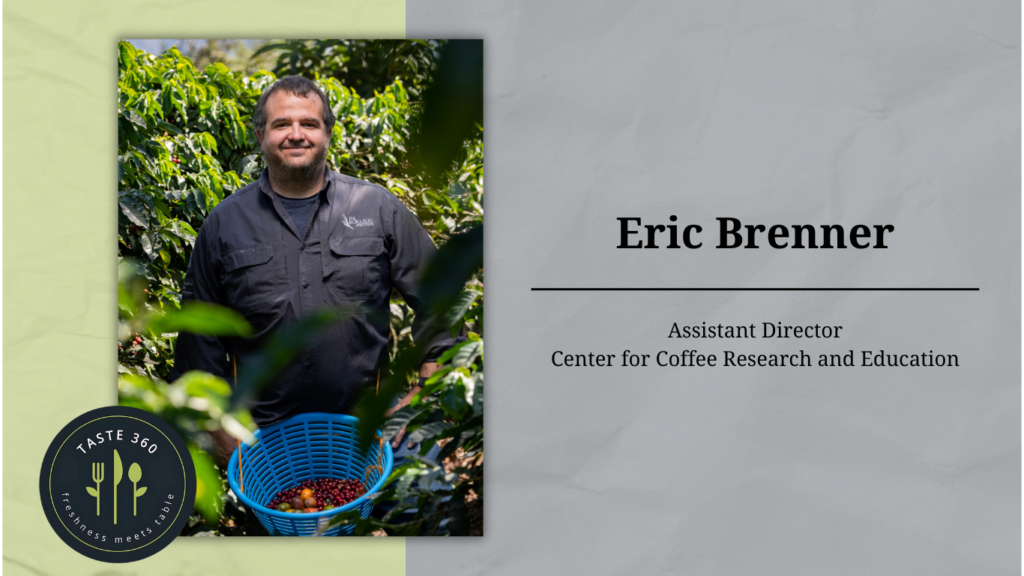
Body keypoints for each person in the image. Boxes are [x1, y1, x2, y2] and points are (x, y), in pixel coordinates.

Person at [169, 75, 456, 453]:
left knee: (421, 499)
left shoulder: (378, 208)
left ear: (328, 133)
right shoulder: (223, 225)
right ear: (260, 136)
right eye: (281, 124)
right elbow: (198, 344)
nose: (296, 134)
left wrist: (421, 395)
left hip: (372, 424)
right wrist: (222, 433)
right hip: (266, 438)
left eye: (309, 123)